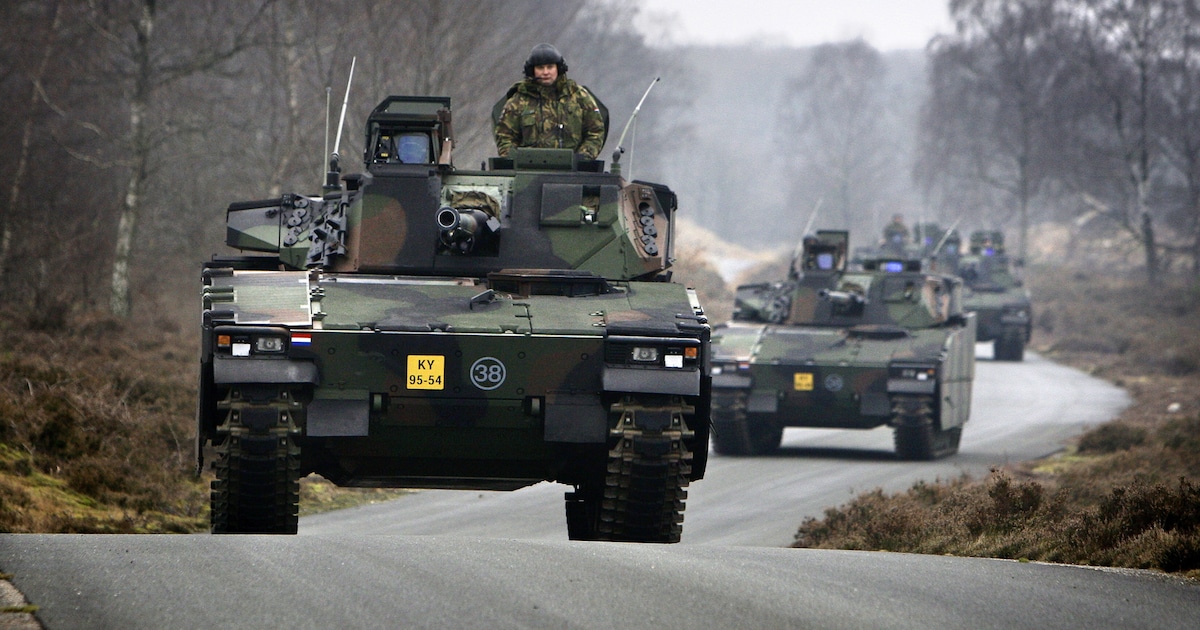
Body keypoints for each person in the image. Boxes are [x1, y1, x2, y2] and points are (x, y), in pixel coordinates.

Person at [494, 43, 606, 160]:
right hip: (529, 166)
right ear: (532, 70)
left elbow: (595, 131)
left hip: (572, 167)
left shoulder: (578, 96)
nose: (545, 72)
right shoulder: (519, 101)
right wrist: (516, 159)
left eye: (550, 67)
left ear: (558, 68)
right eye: (540, 68)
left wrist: (582, 157)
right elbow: (504, 136)